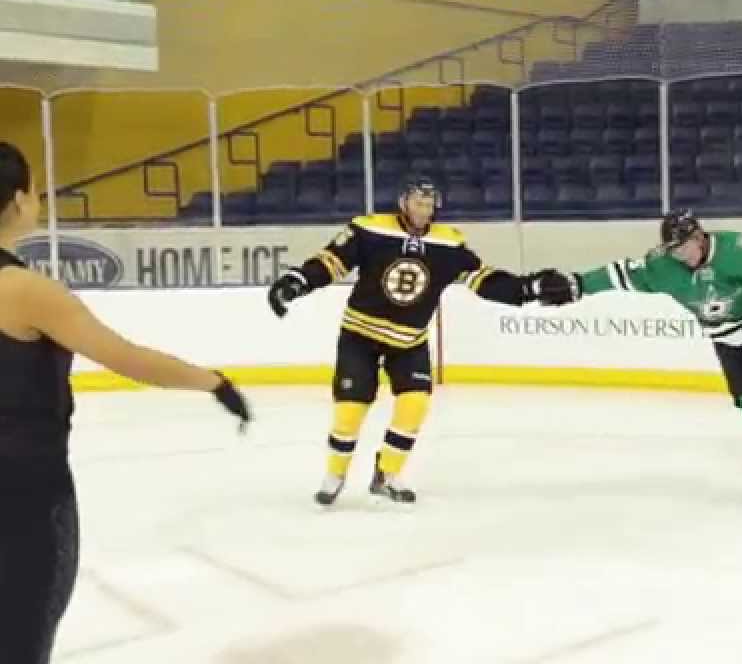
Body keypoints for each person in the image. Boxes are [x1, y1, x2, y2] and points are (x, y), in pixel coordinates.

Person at [0, 142, 251, 664]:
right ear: (20, 200)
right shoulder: (24, 291)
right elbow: (129, 359)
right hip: (23, 494)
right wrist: (212, 382)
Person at [531, 210, 742, 501]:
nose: (680, 256)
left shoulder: (738, 251)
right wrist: (576, 284)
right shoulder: (661, 266)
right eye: (673, 251)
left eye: (684, 248)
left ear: (699, 237)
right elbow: (619, 274)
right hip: (725, 339)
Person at [268, 175, 544, 507]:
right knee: (350, 410)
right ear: (403, 202)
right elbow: (331, 262)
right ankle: (335, 474)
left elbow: (482, 279)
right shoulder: (370, 229)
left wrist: (525, 289)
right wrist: (297, 282)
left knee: (415, 404)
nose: (423, 210)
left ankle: (387, 474)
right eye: (418, 202)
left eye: (429, 205)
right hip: (360, 334)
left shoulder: (449, 243)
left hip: (409, 340)